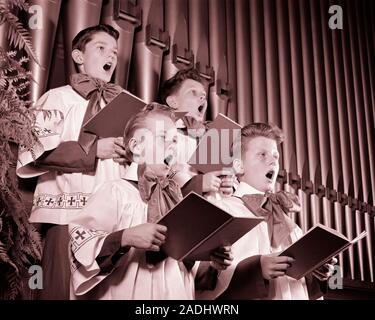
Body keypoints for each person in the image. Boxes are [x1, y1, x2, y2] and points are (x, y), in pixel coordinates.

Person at [69, 103, 232, 299]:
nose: (172, 146)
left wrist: (209, 261)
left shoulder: (178, 203)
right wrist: (125, 237)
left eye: (174, 141)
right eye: (163, 139)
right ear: (137, 147)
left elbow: (184, 273)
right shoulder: (115, 192)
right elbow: (80, 248)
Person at [16, 24, 127, 299]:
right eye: (101, 48)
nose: (110, 56)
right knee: (59, 292)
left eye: (114, 51)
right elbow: (35, 153)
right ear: (78, 56)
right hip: (66, 217)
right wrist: (93, 151)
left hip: (112, 223)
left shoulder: (121, 107)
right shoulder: (57, 98)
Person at [196, 123, 337, 300]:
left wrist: (318, 275)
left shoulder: (291, 227)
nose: (273, 161)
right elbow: (200, 282)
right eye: (262, 155)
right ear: (239, 166)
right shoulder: (221, 212)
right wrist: (257, 268)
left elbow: (299, 288)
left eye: (276, 156)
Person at [159, 68, 234, 198]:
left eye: (204, 95)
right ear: (173, 102)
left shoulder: (214, 137)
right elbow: (159, 175)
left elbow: (231, 183)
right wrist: (198, 184)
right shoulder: (160, 132)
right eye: (193, 93)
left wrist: (229, 186)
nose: (202, 97)